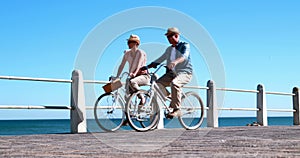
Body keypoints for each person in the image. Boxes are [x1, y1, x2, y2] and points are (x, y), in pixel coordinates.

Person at [144, 27, 193, 118]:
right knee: (157, 85)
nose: (168, 38)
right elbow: (160, 59)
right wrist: (147, 66)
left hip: (185, 72)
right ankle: (173, 98)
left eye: (170, 36)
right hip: (171, 73)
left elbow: (184, 56)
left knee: (175, 83)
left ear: (176, 35)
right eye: (167, 37)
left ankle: (176, 109)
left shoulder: (185, 45)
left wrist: (175, 62)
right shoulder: (169, 49)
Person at [115, 34, 150, 105]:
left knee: (132, 82)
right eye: (128, 42)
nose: (128, 44)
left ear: (136, 43)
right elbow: (121, 65)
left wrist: (134, 73)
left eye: (130, 42)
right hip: (132, 76)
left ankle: (142, 97)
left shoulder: (140, 52)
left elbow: (139, 65)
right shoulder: (127, 54)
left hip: (143, 76)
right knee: (126, 94)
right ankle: (129, 112)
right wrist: (117, 76)